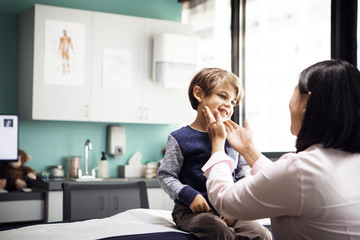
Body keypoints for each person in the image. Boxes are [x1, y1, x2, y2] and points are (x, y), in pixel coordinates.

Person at [202, 59, 360, 240]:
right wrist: (248, 149)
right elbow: (283, 181)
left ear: (306, 102)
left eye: (293, 95)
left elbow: (225, 200)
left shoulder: (302, 169)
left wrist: (217, 146)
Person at [157, 68, 272, 240]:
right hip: (191, 209)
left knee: (260, 233)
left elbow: (243, 174)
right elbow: (166, 175)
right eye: (223, 96)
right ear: (199, 94)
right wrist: (189, 195)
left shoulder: (232, 139)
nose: (229, 105)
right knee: (218, 229)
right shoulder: (179, 138)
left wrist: (238, 206)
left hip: (229, 207)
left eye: (233, 102)